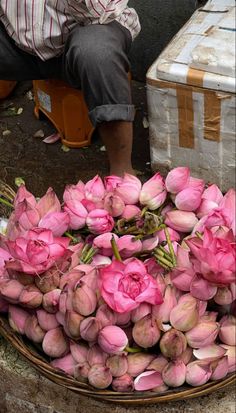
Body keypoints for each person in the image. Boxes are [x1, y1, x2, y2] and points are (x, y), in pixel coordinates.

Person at [0, 1, 140, 177]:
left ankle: (123, 173)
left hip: (91, 30)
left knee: (97, 53)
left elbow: (101, 12)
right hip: (19, 42)